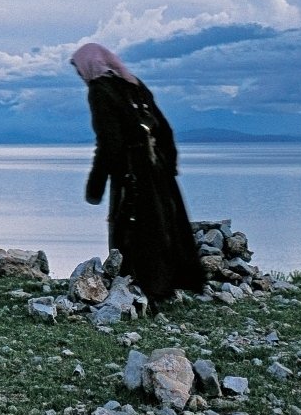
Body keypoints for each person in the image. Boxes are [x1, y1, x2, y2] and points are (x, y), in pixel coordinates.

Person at [73, 41, 206, 305]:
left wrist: (95, 185)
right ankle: (173, 282)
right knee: (164, 222)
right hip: (157, 167)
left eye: (79, 70)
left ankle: (140, 285)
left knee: (133, 227)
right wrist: (169, 164)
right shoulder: (133, 83)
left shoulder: (100, 91)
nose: (80, 76)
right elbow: (163, 127)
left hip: (130, 170)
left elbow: (109, 142)